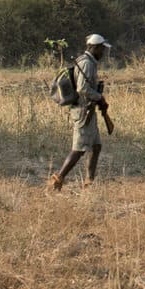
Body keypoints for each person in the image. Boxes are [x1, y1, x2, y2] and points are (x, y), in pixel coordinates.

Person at [49, 34, 113, 190]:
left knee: (96, 146)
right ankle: (58, 179)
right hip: (84, 112)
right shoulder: (87, 64)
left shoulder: (87, 62)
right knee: (78, 149)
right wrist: (99, 97)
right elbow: (82, 88)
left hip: (88, 111)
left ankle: (89, 182)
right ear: (95, 47)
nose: (103, 52)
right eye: (101, 49)